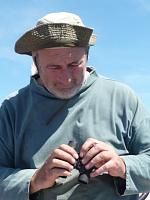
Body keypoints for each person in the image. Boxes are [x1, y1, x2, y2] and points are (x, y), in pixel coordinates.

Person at [0, 12, 150, 200]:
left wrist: (122, 166)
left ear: (87, 55)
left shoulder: (123, 98)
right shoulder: (12, 109)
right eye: (54, 67)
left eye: (74, 64)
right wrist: (35, 180)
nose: (67, 78)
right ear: (35, 61)